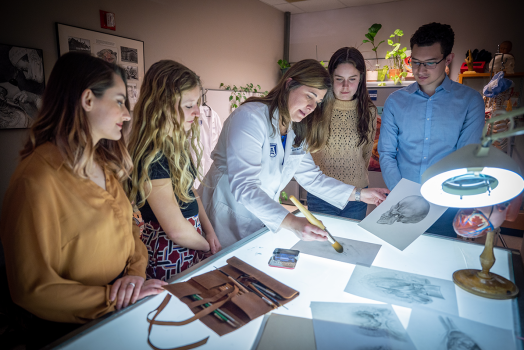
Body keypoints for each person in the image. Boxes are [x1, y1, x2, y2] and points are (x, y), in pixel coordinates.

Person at [0, 52, 166, 348]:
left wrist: (134, 276)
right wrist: (111, 298)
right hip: (70, 330)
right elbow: (31, 289)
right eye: (119, 101)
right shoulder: (36, 181)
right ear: (87, 100)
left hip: (119, 309)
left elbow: (131, 231)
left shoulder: (104, 164)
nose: (127, 114)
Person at [199, 59, 389, 248]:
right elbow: (244, 186)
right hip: (224, 213)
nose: (312, 107)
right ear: (289, 84)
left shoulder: (295, 129)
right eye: (309, 96)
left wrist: (361, 195)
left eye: (318, 101)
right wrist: (293, 222)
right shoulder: (250, 117)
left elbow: (312, 178)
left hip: (261, 215)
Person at [378, 23, 485, 237]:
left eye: (429, 63)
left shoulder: (470, 101)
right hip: (401, 204)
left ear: (448, 59)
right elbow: (387, 153)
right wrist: (402, 195)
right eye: (415, 62)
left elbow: (465, 158)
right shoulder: (395, 101)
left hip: (446, 207)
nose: (420, 70)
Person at [126, 60, 221, 282]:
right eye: (189, 106)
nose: (198, 112)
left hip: (192, 239)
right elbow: (176, 230)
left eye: (197, 104)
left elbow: (190, 192)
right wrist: (206, 246)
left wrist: (209, 230)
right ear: (161, 105)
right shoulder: (153, 156)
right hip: (168, 250)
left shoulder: (173, 144)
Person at [308, 47, 377, 220]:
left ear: (361, 79)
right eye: (339, 79)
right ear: (330, 77)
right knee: (322, 243)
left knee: (350, 244)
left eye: (352, 79)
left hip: (358, 196)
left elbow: (366, 153)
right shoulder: (316, 106)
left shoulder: (368, 111)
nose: (346, 86)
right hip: (322, 194)